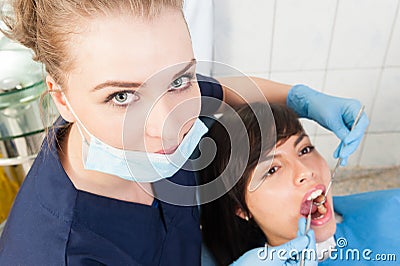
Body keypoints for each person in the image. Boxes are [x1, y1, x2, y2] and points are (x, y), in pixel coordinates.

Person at [0, 0, 368, 265]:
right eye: (123, 96)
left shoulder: (180, 106)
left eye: (178, 79)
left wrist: (299, 98)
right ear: (62, 97)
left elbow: (219, 91)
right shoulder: (53, 251)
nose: (170, 129)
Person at [200, 103, 399, 265]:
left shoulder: (392, 207)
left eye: (304, 150)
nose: (305, 171)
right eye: (272, 169)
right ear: (240, 209)